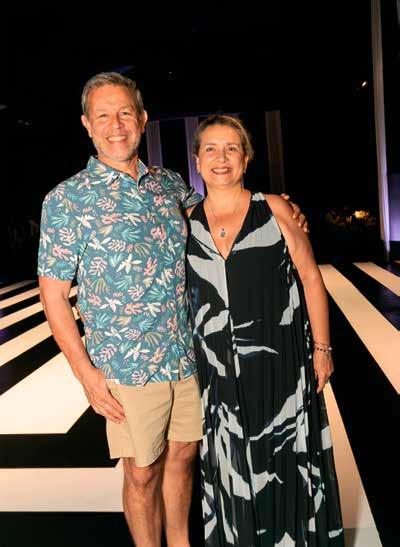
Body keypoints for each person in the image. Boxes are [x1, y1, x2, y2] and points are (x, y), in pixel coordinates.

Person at [37, 72, 307, 546]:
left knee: (183, 457)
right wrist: (86, 373)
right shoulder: (66, 200)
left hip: (187, 353)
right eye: (104, 115)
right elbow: (53, 295)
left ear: (142, 119)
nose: (116, 125)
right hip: (127, 365)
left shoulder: (169, 184)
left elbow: (222, 210)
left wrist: (276, 207)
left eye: (125, 113)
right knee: (142, 471)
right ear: (87, 124)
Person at [186, 114, 344, 546]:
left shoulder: (274, 209)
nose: (221, 158)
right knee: (232, 467)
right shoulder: (184, 222)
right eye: (211, 149)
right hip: (216, 375)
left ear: (246, 158)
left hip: (280, 366)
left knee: (285, 462)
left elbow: (310, 277)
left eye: (231, 148)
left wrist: (323, 349)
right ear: (197, 160)